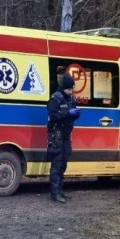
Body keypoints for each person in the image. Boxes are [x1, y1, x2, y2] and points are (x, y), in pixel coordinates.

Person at [46, 73, 80, 204]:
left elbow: (71, 112)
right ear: (63, 87)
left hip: (66, 136)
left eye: (72, 89)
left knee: (63, 164)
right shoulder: (56, 99)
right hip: (57, 136)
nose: (71, 91)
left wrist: (75, 114)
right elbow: (53, 116)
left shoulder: (70, 99)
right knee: (57, 165)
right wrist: (68, 113)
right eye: (69, 89)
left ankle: (60, 190)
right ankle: (55, 194)